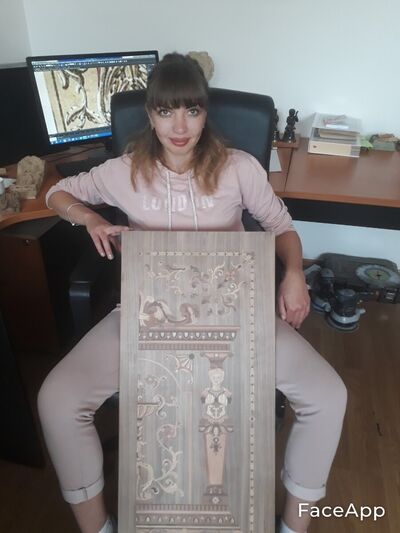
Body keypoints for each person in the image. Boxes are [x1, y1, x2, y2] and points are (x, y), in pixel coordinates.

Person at [38, 53, 347, 533]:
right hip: (149, 317)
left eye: (192, 110)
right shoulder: (124, 171)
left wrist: (293, 274)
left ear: (205, 113)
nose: (179, 126)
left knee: (328, 395)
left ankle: (293, 526)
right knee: (57, 400)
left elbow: (282, 227)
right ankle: (98, 527)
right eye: (166, 111)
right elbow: (55, 194)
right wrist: (92, 218)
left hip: (234, 316)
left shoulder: (239, 168)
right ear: (150, 114)